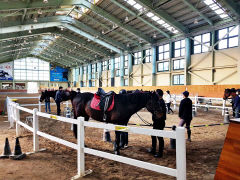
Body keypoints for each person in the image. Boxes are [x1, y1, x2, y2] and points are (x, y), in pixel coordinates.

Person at [148, 89, 166, 158]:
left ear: (158, 94)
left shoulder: (160, 102)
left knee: (160, 137)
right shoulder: (160, 101)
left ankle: (160, 152)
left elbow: (159, 114)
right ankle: (153, 149)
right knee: (153, 135)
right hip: (157, 121)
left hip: (159, 121)